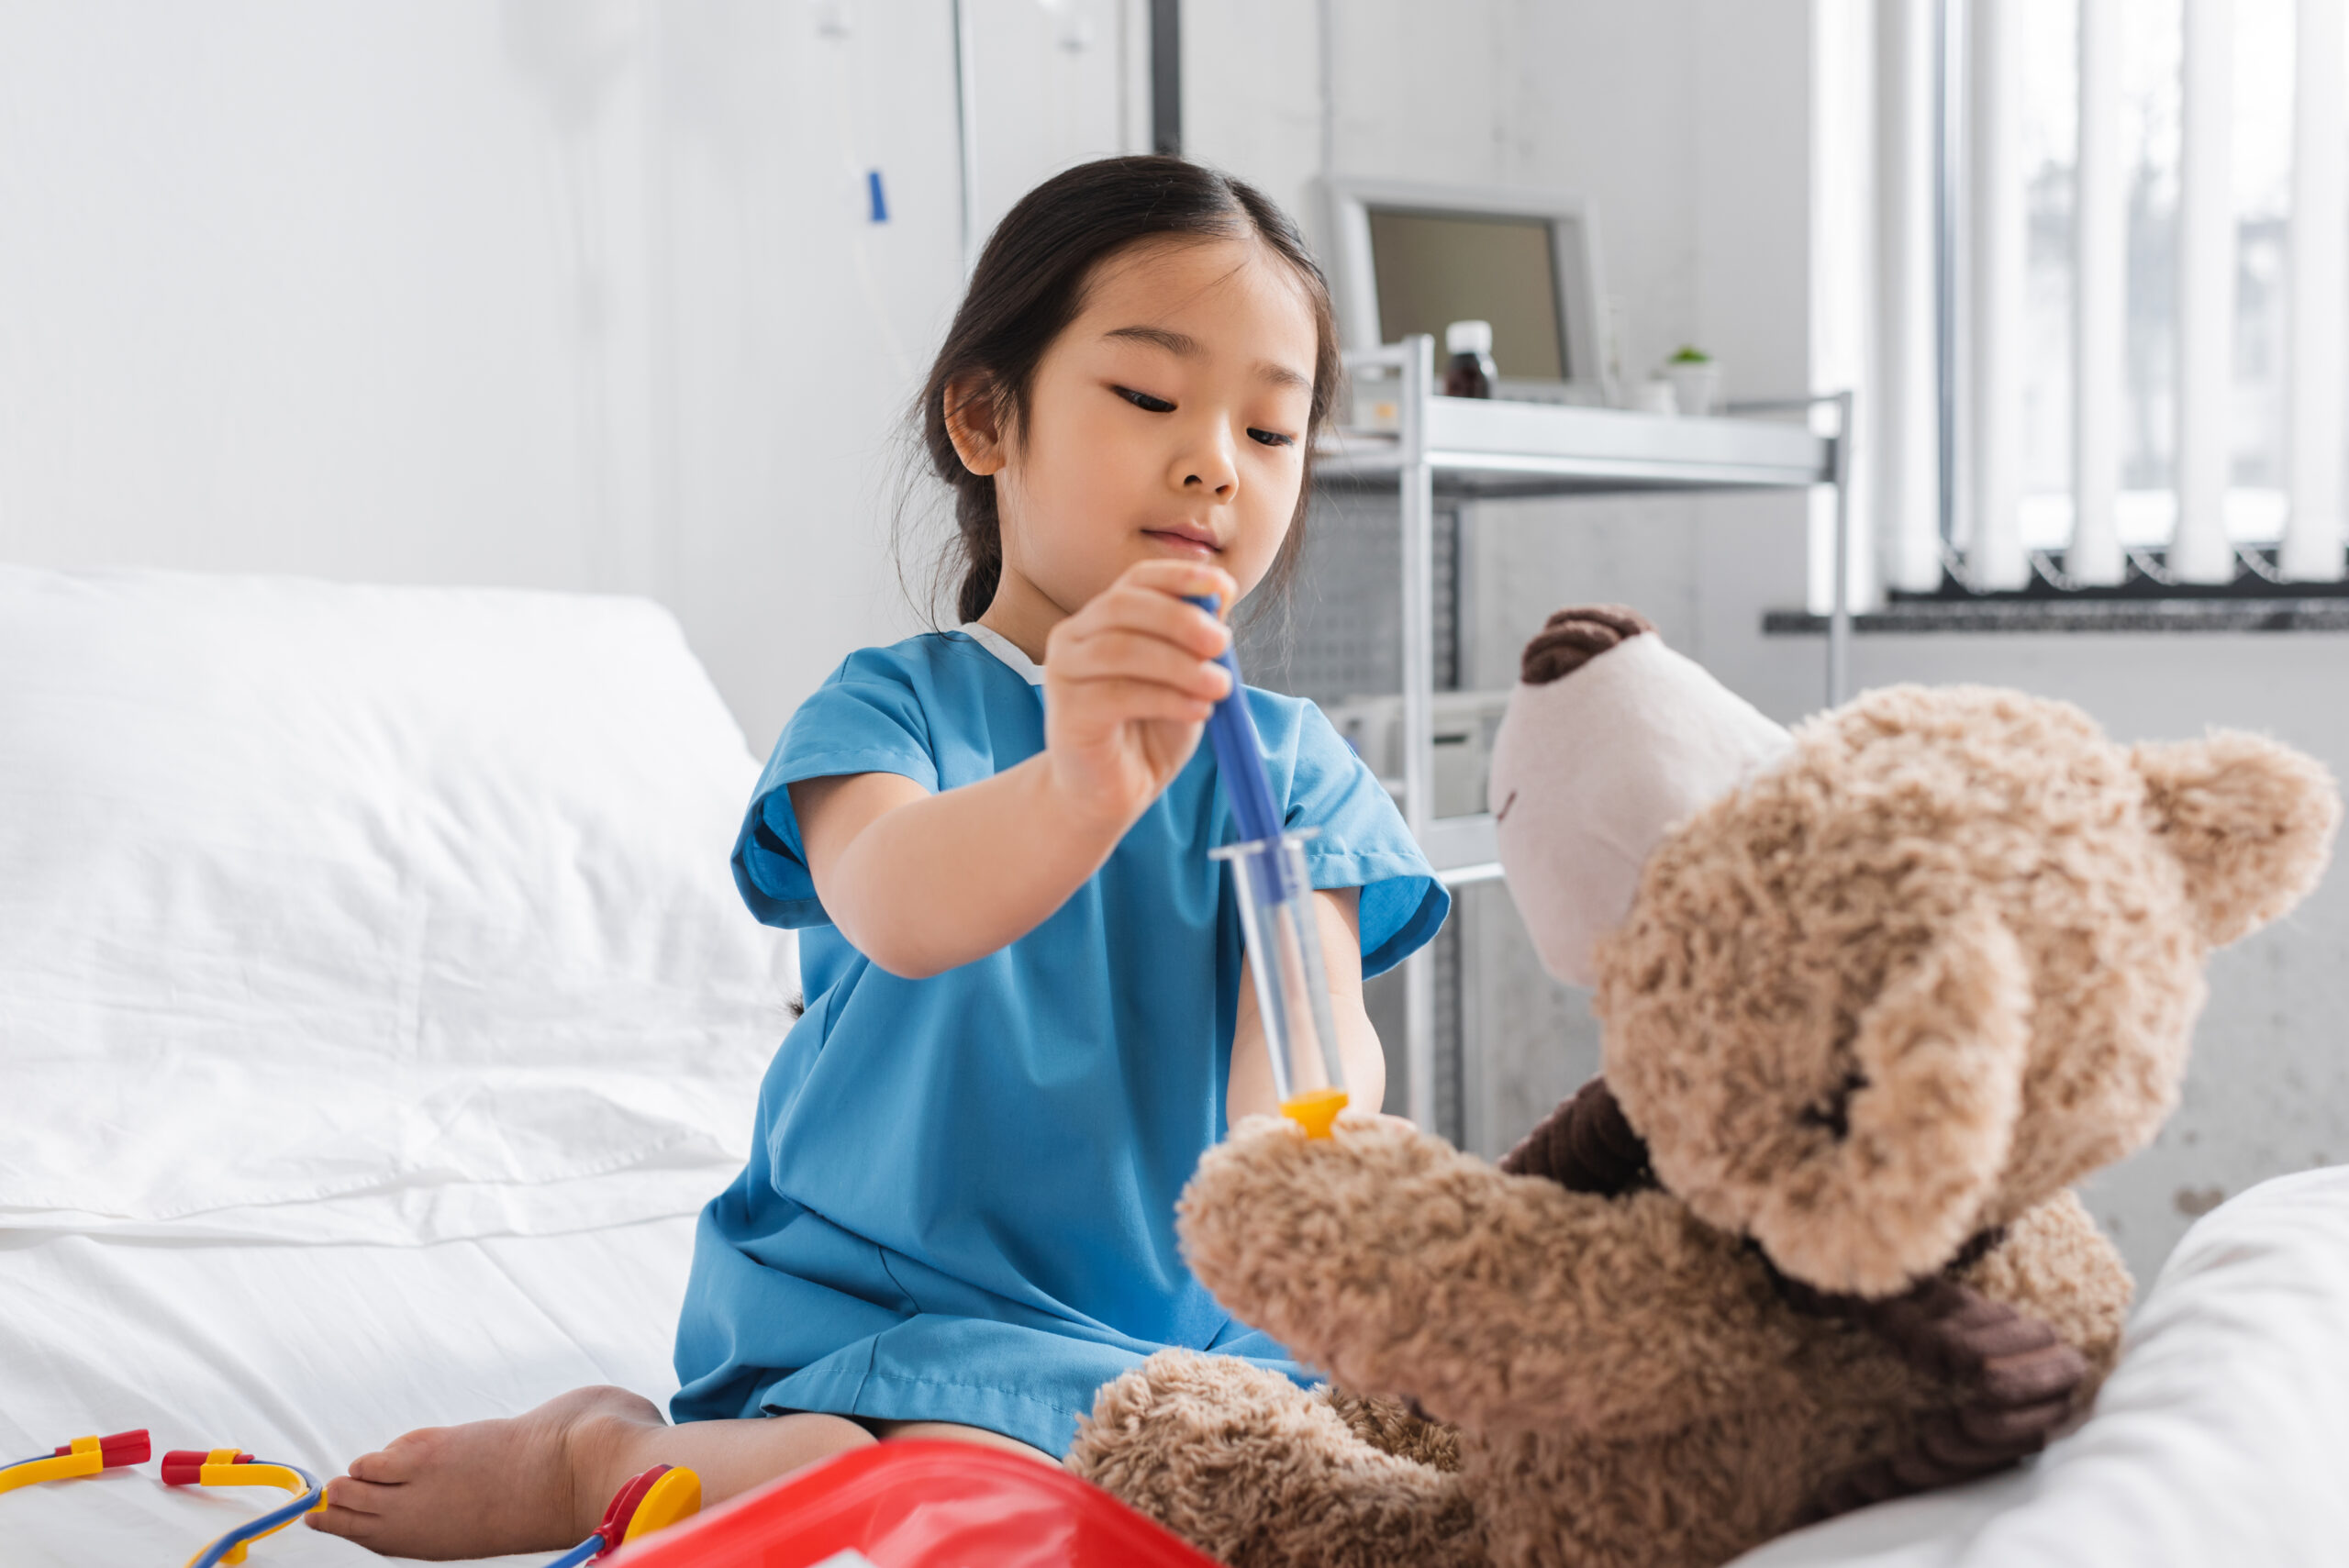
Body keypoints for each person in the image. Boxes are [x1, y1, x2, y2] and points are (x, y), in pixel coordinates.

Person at [306, 154, 1447, 1559]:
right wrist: (1082, 779)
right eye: (1150, 398)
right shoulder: (889, 708)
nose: (1216, 458)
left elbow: (1314, 1048)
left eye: (1272, 432)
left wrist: (1308, 1153)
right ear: (985, 418)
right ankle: (598, 1453)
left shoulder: (1290, 765)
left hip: (1185, 1349)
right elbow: (903, 904)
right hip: (888, 1314)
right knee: (939, 1493)